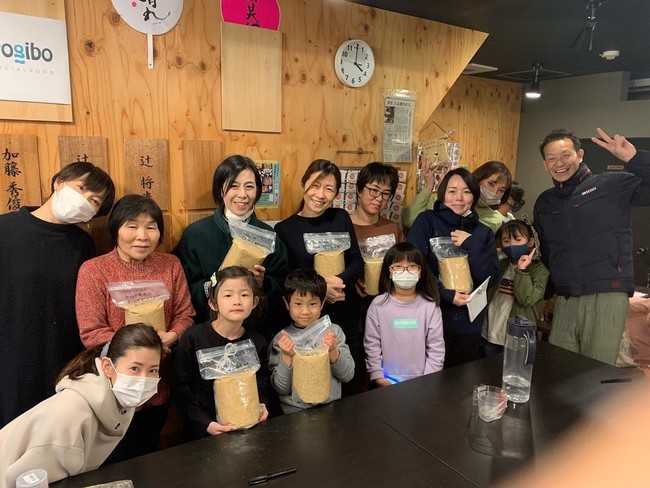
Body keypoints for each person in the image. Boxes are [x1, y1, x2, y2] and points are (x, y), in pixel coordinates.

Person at [76, 194, 195, 460]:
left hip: (158, 380)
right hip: (115, 387)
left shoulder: (170, 265)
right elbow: (92, 332)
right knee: (115, 459)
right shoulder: (94, 270)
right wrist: (142, 350)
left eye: (151, 227)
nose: (142, 236)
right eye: (132, 226)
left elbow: (185, 314)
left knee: (149, 451)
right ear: (115, 230)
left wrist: (172, 336)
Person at [0, 161, 115, 428]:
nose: (85, 200)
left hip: (59, 357)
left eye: (94, 201)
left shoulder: (82, 244)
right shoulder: (5, 229)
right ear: (59, 182)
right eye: (82, 188)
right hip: (9, 354)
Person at [533, 128, 650, 365]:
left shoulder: (612, 184)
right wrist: (546, 297)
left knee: (596, 369)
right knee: (561, 366)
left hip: (607, 291)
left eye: (565, 155)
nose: (559, 163)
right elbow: (549, 253)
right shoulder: (545, 202)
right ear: (545, 165)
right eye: (551, 158)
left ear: (580, 155)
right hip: (566, 295)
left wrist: (634, 158)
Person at [0, 323, 163, 487]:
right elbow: (20, 480)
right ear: (107, 367)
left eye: (153, 370)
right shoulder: (72, 416)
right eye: (135, 368)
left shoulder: (122, 402)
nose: (143, 380)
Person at [274, 159, 364, 394]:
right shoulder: (285, 229)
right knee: (312, 385)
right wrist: (322, 290)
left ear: (336, 193)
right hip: (308, 320)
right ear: (303, 184)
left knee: (348, 383)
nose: (321, 195)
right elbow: (288, 277)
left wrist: (341, 279)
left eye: (329, 189)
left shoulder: (340, 217)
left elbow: (356, 261)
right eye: (315, 185)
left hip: (345, 315)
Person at [174, 155, 289, 332]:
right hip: (208, 332)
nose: (242, 194)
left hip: (256, 333)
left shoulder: (269, 236)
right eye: (233, 186)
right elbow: (182, 290)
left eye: (249, 186)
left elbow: (283, 288)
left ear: (258, 191)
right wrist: (212, 285)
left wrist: (263, 282)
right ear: (220, 189)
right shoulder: (195, 234)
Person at [172, 266, 278, 440]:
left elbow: (262, 383)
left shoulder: (257, 341)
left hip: (248, 425)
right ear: (213, 304)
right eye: (228, 295)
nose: (237, 301)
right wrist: (205, 423)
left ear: (254, 302)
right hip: (204, 434)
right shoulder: (194, 337)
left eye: (244, 295)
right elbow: (180, 388)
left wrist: (262, 404)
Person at [407, 168, 499, 367]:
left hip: (468, 323)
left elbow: (490, 278)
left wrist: (472, 244)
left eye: (466, 192)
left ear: (474, 196)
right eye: (452, 191)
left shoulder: (483, 232)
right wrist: (446, 295)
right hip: (431, 316)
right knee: (427, 377)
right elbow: (414, 265)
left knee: (461, 379)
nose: (459, 198)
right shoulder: (427, 221)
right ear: (442, 194)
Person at [268, 268, 355, 413]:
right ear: (287, 303)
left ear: (322, 303)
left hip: (331, 407)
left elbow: (347, 375)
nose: (305, 311)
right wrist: (287, 356)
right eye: (298, 304)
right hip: (294, 411)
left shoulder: (333, 332)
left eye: (313, 304)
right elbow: (281, 388)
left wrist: (333, 351)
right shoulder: (282, 339)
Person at [364, 242, 444, 386]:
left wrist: (428, 380)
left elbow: (436, 348)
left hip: (424, 382)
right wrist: (379, 377)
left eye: (412, 265)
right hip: (387, 383)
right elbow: (372, 345)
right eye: (398, 266)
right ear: (389, 271)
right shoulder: (378, 305)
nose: (405, 271)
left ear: (420, 271)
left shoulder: (430, 306)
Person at [482, 220, 549, 355]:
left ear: (530, 242)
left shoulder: (539, 270)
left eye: (518, 240)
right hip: (489, 333)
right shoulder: (501, 264)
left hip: (517, 337)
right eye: (506, 241)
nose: (512, 245)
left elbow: (527, 299)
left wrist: (522, 270)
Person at [402, 160, 512, 234]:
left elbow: (462, 239)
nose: (494, 192)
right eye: (491, 184)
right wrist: (430, 186)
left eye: (501, 190)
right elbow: (410, 221)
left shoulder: (494, 219)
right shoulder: (437, 199)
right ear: (477, 179)